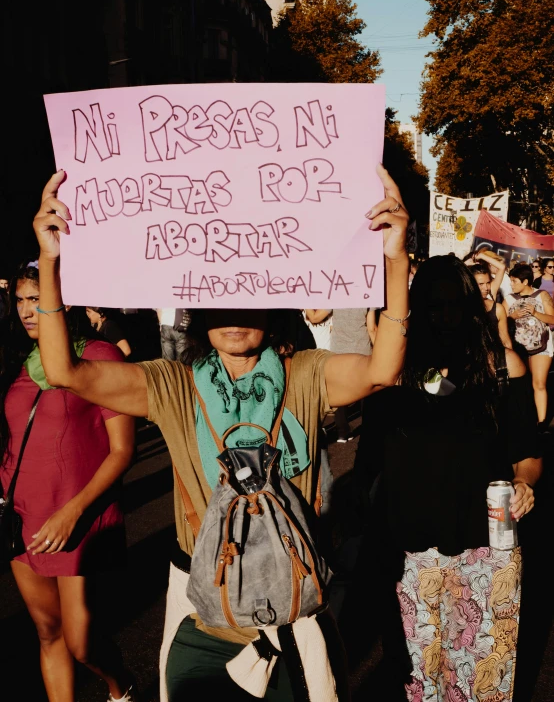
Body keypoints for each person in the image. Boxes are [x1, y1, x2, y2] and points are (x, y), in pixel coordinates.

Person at [33, 165, 410, 701]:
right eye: (221, 302)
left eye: (250, 300)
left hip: (293, 607)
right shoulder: (173, 385)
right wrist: (50, 261)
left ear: (275, 309)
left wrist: (395, 258)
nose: (234, 315)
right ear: (199, 309)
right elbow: (65, 372)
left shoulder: (304, 372)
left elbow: (382, 370)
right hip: (199, 608)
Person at [352, 254, 542, 701]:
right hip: (411, 556)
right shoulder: (393, 375)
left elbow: (527, 452)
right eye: (433, 306)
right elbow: (368, 461)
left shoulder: (502, 367)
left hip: (486, 549)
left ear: (471, 305)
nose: (444, 316)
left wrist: (525, 483)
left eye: (454, 303)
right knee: (420, 678)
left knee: (483, 677)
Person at [0, 262, 137, 702]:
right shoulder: (18, 362)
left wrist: (72, 512)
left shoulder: (97, 355)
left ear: (64, 300)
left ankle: (121, 688)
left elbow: (122, 450)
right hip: (22, 515)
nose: (26, 310)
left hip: (75, 516)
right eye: (20, 300)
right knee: (47, 632)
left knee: (81, 643)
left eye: (36, 299)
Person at [503, 264, 554, 428]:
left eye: (514, 281)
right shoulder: (509, 299)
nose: (511, 284)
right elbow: (499, 321)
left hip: (541, 346)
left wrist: (536, 313)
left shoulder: (542, 295)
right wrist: (512, 316)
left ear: (525, 281)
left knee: (539, 383)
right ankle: (526, 420)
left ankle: (541, 424)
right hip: (518, 348)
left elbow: (553, 319)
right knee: (523, 385)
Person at [330, 307, 375, 443]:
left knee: (339, 391)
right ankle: (369, 429)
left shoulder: (336, 293)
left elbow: (317, 316)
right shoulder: (368, 295)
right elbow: (371, 328)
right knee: (366, 393)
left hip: (339, 351)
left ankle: (342, 433)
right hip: (362, 350)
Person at [469, 262, 512, 348]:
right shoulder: (461, 306)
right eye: (480, 284)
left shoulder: (497, 309)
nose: (486, 288)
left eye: (488, 283)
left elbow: (506, 341)